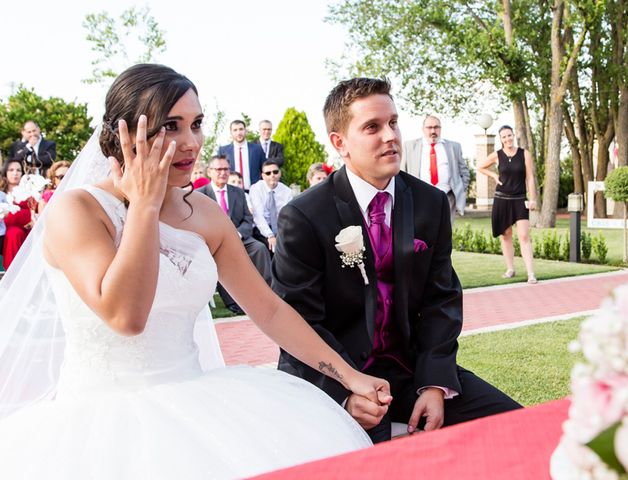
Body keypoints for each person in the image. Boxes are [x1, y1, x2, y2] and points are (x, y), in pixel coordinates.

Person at [0, 64, 388, 479]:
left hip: (203, 403)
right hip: (103, 424)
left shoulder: (203, 212)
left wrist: (349, 376)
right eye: (171, 125)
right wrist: (145, 205)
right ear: (126, 135)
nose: (190, 142)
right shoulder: (77, 211)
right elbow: (125, 317)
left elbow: (270, 311)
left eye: (197, 124)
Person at [272, 77, 521, 444]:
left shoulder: (429, 204)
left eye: (393, 122)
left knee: (516, 427)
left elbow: (441, 299)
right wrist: (344, 394)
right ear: (339, 143)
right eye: (372, 127)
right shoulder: (304, 217)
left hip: (411, 371)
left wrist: (434, 383)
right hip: (336, 377)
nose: (390, 136)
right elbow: (299, 322)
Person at [197, 154, 272, 315]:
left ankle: (268, 293)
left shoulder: (237, 192)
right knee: (219, 258)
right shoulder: (200, 194)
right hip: (214, 242)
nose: (223, 173)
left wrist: (237, 234)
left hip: (239, 237)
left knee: (259, 248)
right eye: (218, 169)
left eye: (226, 169)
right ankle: (233, 302)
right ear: (210, 171)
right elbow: (198, 222)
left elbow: (247, 218)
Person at [477, 125, 537, 284]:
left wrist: (532, 198)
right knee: (506, 235)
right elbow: (480, 167)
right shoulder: (497, 155)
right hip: (501, 199)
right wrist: (493, 175)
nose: (507, 139)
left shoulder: (524, 154)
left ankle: (531, 273)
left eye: (509, 135)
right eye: (504, 137)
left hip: (519, 200)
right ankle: (510, 268)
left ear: (513, 135)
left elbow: (530, 177)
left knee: (524, 235)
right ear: (501, 139)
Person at [401, 115, 470, 224]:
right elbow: (402, 172)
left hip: (446, 197)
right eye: (429, 127)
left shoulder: (454, 147)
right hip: (419, 197)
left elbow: (464, 171)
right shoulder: (409, 146)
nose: (433, 131)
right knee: (421, 231)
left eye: (436, 127)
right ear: (423, 129)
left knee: (445, 232)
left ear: (440, 128)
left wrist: (461, 188)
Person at [249, 160, 293, 253]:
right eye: (268, 173)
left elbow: (287, 217)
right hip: (262, 229)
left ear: (279, 173)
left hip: (280, 228)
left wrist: (280, 235)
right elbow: (258, 216)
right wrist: (270, 235)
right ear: (263, 176)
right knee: (269, 247)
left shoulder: (287, 191)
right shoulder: (256, 189)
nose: (272, 175)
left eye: (275, 172)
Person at [0, 159, 35, 270]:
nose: (15, 173)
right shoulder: (2, 194)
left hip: (29, 229)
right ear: (5, 173)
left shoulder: (29, 191)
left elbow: (34, 211)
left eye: (18, 170)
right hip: (7, 233)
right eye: (11, 170)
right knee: (14, 233)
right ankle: (12, 271)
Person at [218, 120, 266, 187]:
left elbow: (265, 170)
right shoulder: (223, 151)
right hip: (232, 190)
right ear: (231, 132)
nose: (238, 133)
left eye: (241, 129)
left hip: (253, 190)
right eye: (235, 130)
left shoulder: (257, 149)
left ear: (245, 131)